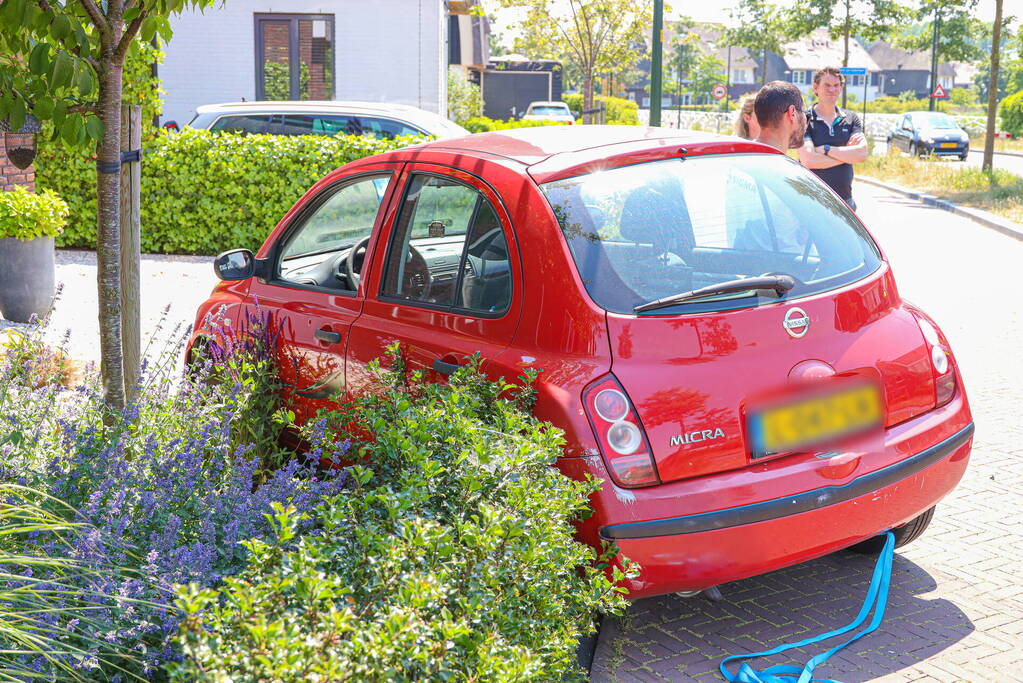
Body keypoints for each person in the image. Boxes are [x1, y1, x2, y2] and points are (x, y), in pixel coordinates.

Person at [797, 66, 868, 210]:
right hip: (812, 201)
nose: (832, 89)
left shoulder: (851, 118)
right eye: (827, 85)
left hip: (845, 202)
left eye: (836, 85)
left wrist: (826, 149)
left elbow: (861, 154)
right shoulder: (804, 119)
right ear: (816, 87)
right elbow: (809, 160)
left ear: (841, 88)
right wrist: (847, 156)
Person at [752, 81, 807, 151]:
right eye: (804, 112)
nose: (806, 120)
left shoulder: (740, 153)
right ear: (792, 113)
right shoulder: (782, 158)